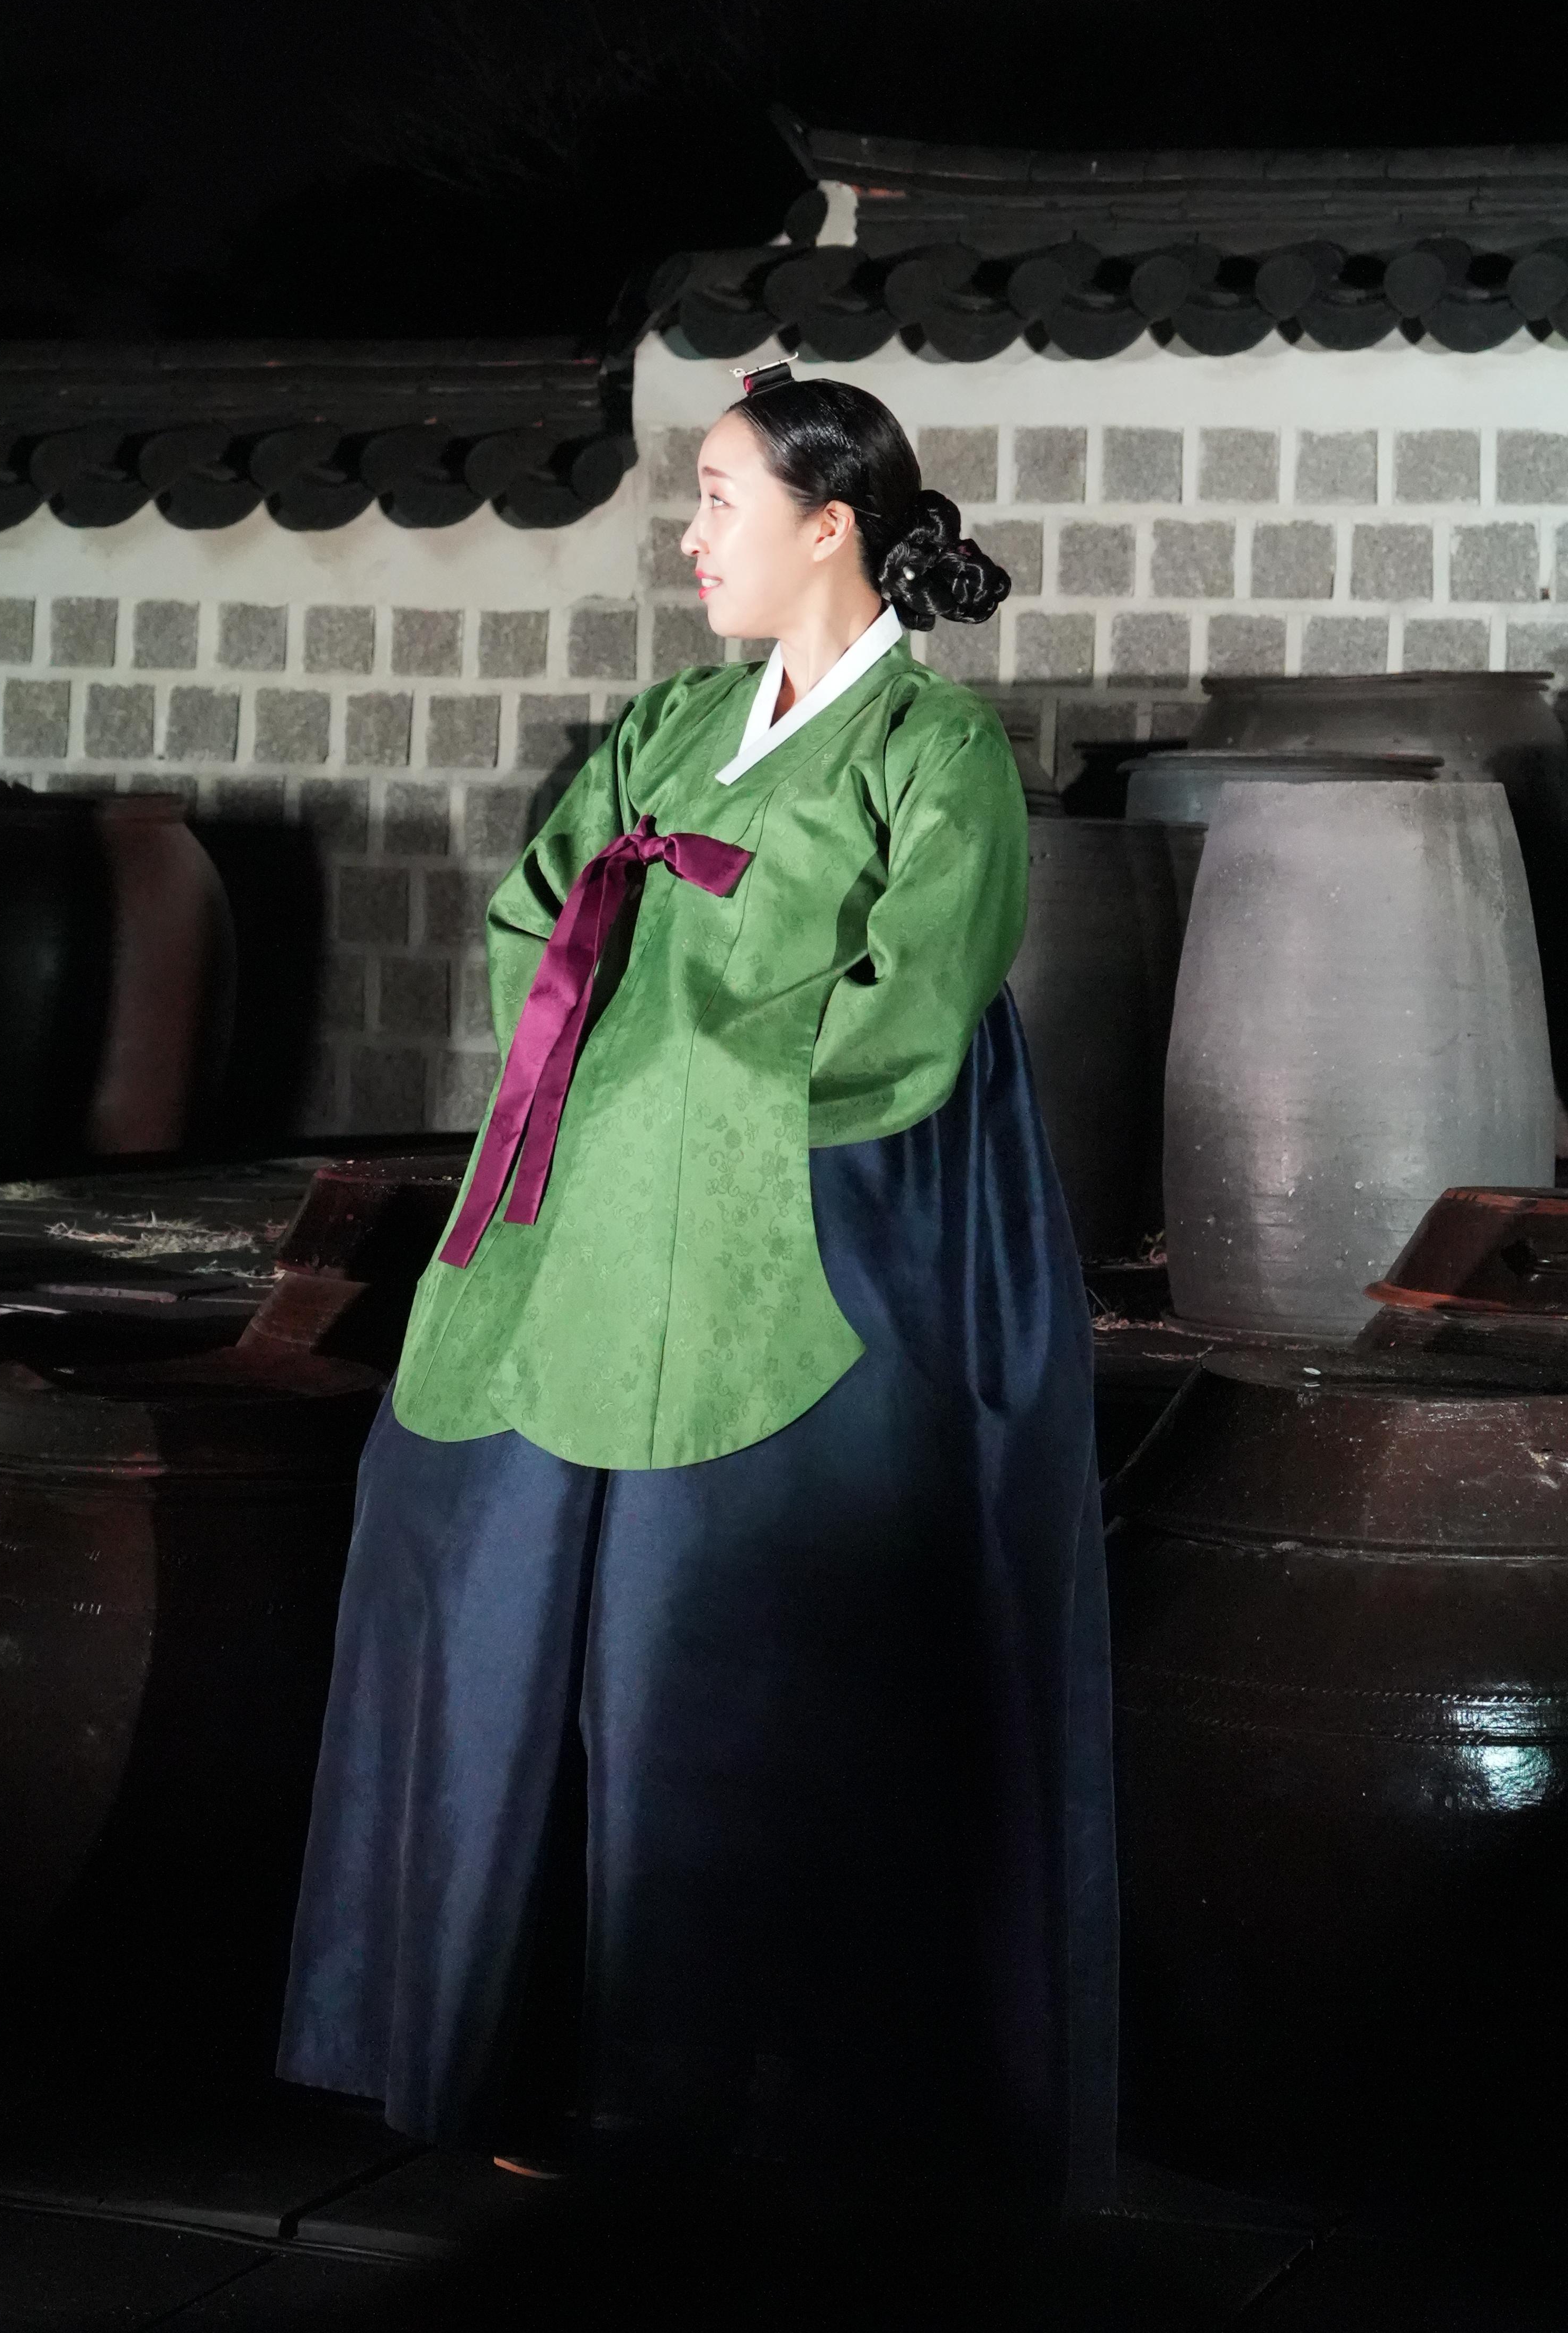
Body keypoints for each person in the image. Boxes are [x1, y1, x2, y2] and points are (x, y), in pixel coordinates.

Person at [280, 367, 1112, 2203]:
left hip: (824, 1231)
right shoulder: (671, 723)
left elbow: (915, 1008)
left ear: (832, 524)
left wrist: (708, 1083)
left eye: (722, 498)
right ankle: (533, 2050)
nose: (691, 537)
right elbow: (540, 915)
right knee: (487, 1560)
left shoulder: (934, 750)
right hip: (603, 1211)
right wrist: (620, 1071)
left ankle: (755, 2093)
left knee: (712, 1631)